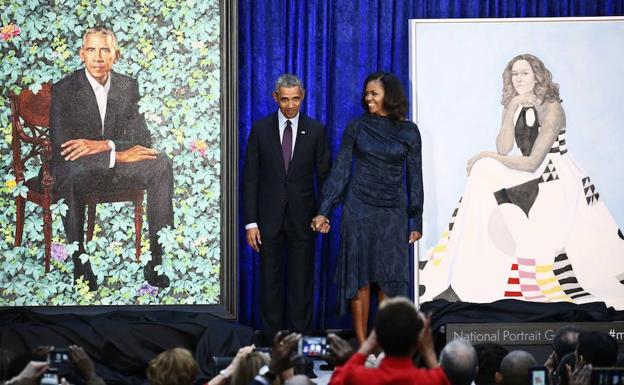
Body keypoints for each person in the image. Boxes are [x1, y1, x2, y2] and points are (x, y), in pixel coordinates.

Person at [421, 54, 624, 307]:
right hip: (529, 172)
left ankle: (499, 270)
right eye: (514, 74)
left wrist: (484, 155)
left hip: (553, 175)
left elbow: (533, 162)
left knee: (485, 164)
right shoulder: (514, 103)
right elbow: (504, 148)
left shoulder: (553, 108)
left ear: (538, 76)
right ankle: (464, 265)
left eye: (524, 73)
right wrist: (513, 106)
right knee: (484, 171)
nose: (518, 78)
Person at [50, 26, 173, 291]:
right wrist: (118, 155)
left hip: (113, 167)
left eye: (105, 50)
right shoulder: (64, 89)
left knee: (160, 163)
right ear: (82, 54)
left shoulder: (127, 86)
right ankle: (80, 264)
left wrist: (104, 146)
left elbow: (142, 139)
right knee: (70, 172)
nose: (97, 57)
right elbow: (65, 149)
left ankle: (156, 260)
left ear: (115, 55)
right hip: (79, 170)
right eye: (91, 50)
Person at [312, 72, 423, 344]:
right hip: (359, 208)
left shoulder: (409, 131)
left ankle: (381, 343)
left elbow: (415, 177)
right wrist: (324, 209)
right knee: (359, 276)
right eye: (366, 93)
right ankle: (363, 346)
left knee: (388, 279)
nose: (368, 98)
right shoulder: (357, 127)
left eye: (374, 93)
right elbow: (340, 169)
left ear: (390, 95)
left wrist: (415, 219)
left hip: (392, 212)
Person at [243, 74, 331, 342]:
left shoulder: (316, 130)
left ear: (302, 96)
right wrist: (251, 223)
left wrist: (323, 212)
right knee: (269, 284)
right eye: (285, 99)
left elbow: (325, 176)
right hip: (268, 220)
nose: (290, 105)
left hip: (303, 220)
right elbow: (250, 179)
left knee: (301, 285)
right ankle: (272, 347)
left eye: (295, 99)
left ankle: (299, 350)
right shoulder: (260, 129)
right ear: (275, 98)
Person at [328, 297, 449, 385]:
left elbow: (338, 380)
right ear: (418, 342)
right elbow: (442, 381)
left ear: (377, 339)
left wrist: (366, 347)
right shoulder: (428, 380)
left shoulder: (359, 378)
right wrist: (429, 352)